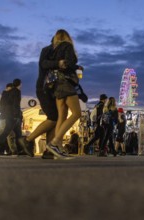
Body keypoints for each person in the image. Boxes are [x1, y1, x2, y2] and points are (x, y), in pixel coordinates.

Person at [18, 38, 64, 159]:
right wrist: (59, 63)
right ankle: (27, 140)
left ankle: (48, 150)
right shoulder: (47, 50)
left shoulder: (58, 53)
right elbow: (44, 64)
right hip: (45, 88)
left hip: (53, 90)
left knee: (54, 118)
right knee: (54, 118)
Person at [45, 29, 82, 159]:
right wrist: (76, 67)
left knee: (62, 115)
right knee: (77, 113)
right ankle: (55, 143)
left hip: (56, 84)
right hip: (65, 83)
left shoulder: (52, 50)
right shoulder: (67, 46)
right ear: (67, 37)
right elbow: (69, 63)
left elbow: (49, 65)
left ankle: (58, 147)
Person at [0, 79, 29, 157]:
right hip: (9, 117)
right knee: (6, 134)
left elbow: (2, 107)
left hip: (4, 116)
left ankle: (21, 150)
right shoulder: (15, 92)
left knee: (6, 134)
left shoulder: (5, 94)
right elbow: (15, 105)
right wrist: (16, 115)